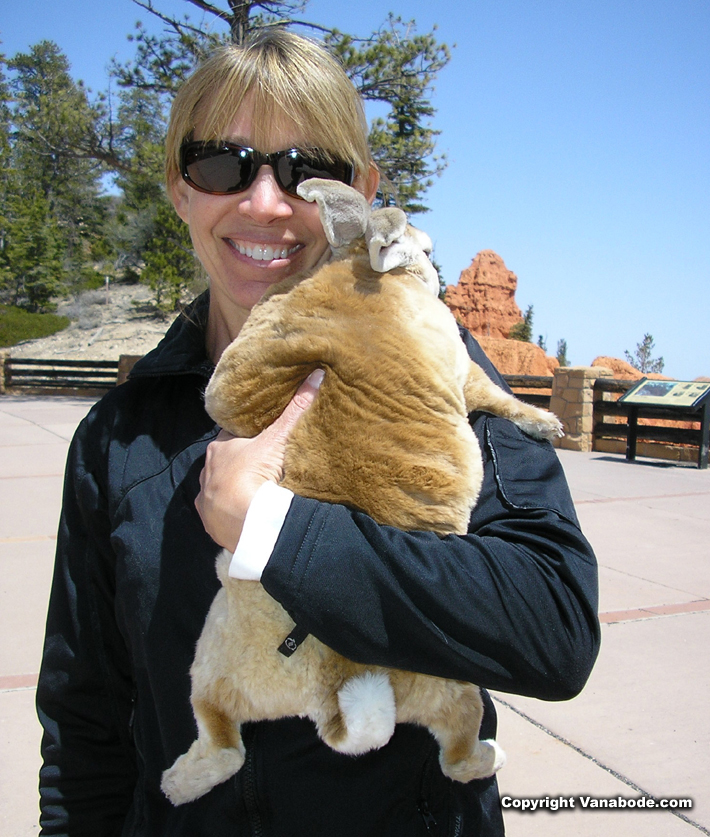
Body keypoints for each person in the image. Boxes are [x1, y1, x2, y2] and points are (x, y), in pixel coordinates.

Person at [36, 29, 600, 837]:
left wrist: (276, 532)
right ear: (180, 189)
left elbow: (554, 627)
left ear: (362, 191)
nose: (266, 201)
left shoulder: (437, 370)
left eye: (309, 170)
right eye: (221, 163)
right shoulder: (117, 439)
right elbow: (83, 729)